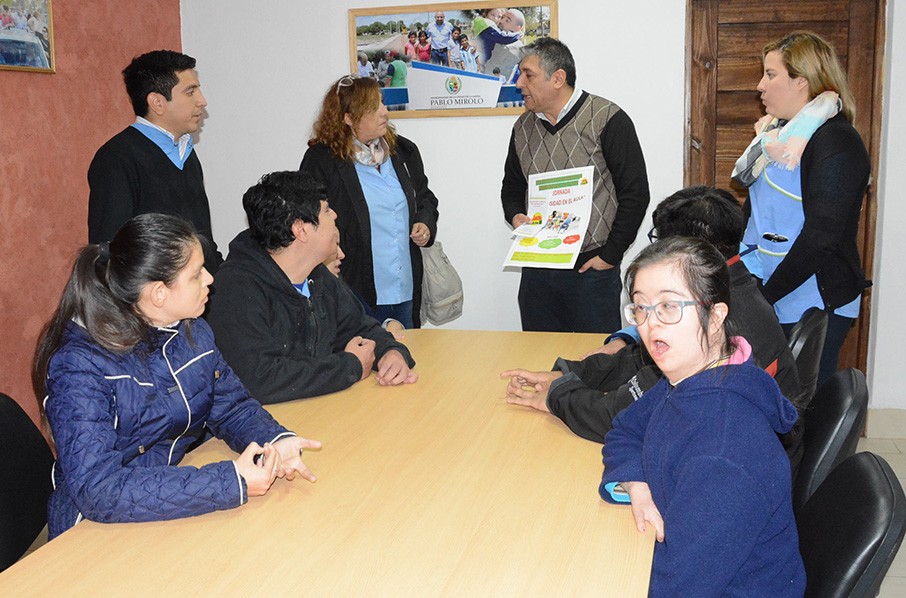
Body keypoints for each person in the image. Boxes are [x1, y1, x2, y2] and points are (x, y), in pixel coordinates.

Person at [32, 214, 320, 540]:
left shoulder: (190, 330)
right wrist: (228, 481)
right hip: (95, 530)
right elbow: (99, 489)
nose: (210, 279)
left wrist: (276, 441)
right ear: (159, 294)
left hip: (168, 503)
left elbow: (231, 407)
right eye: (196, 274)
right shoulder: (78, 366)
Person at [500, 186, 806, 474]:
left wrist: (557, 396)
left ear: (687, 252)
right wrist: (574, 374)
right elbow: (643, 358)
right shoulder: (732, 288)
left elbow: (620, 415)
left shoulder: (719, 325)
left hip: (735, 472)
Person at [599, 236, 805, 596]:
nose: (650, 324)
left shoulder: (725, 452)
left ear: (716, 316)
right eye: (641, 308)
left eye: (668, 306)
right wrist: (637, 485)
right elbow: (625, 430)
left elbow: (677, 587)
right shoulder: (691, 379)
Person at [206, 171, 417, 404]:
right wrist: (350, 366)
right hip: (266, 422)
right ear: (301, 230)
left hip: (317, 411)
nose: (334, 215)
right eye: (326, 210)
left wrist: (391, 352)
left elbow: (362, 328)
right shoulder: (235, 289)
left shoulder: (318, 277)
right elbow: (259, 380)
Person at [732, 31, 871, 386]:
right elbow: (756, 217)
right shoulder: (775, 138)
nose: (760, 86)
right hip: (771, 290)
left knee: (801, 405)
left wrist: (765, 297)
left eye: (771, 74)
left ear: (802, 81)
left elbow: (822, 236)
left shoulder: (836, 141)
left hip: (812, 299)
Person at [501, 37, 649, 332]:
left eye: (528, 74)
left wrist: (610, 256)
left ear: (558, 78)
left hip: (591, 268)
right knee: (537, 352)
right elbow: (512, 188)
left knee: (594, 354)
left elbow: (635, 193)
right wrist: (515, 215)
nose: (519, 83)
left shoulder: (607, 118)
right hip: (538, 268)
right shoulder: (522, 128)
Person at [300, 76, 440, 329]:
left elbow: (425, 198)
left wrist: (425, 222)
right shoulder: (322, 161)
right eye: (373, 108)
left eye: (382, 103)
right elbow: (310, 219)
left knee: (408, 351)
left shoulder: (403, 151)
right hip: (354, 290)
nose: (384, 112)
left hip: (405, 287)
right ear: (348, 118)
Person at [87, 50, 223, 275]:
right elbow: (110, 253)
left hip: (197, 289)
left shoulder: (186, 152)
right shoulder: (115, 158)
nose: (202, 101)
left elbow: (202, 239)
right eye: (190, 92)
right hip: (156, 294)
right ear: (157, 102)